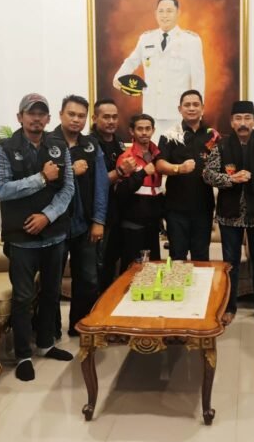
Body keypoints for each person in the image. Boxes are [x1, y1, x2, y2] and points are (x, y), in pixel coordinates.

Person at [0, 93, 75, 381]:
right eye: (31, 113)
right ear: (20, 117)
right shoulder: (5, 149)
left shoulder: (58, 146)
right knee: (23, 297)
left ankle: (45, 344)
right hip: (21, 239)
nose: (36, 118)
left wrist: (47, 216)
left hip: (54, 235)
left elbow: (68, 189)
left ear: (49, 119)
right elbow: (2, 190)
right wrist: (41, 178)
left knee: (51, 293)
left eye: (41, 114)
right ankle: (23, 354)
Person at [203, 100, 254, 326]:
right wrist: (231, 179)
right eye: (238, 118)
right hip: (230, 214)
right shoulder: (221, 146)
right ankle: (229, 307)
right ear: (232, 122)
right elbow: (207, 175)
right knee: (231, 264)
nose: (243, 123)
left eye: (247, 118)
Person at [50, 95, 109, 337]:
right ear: (61, 114)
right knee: (51, 282)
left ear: (87, 119)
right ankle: (50, 331)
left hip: (84, 225)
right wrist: (70, 171)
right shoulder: (47, 143)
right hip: (54, 226)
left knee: (88, 279)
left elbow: (101, 185)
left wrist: (98, 220)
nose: (76, 119)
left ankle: (80, 328)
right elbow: (42, 182)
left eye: (81, 116)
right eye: (71, 114)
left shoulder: (91, 145)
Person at [113, 0, 205, 132]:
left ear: (178, 13)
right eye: (161, 11)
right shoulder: (146, 38)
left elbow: (198, 78)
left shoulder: (191, 41)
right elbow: (131, 61)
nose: (164, 15)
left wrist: (198, 113)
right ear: (155, 14)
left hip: (178, 114)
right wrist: (118, 78)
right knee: (151, 146)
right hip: (151, 112)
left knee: (178, 146)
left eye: (169, 11)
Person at [156, 90, 220, 261]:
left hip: (203, 208)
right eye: (187, 105)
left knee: (201, 257)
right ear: (180, 109)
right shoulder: (169, 135)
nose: (191, 108)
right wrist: (179, 168)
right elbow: (159, 164)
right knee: (177, 257)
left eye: (196, 104)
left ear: (202, 108)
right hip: (176, 209)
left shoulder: (213, 135)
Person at [89, 98, 137, 291]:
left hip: (119, 214)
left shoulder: (119, 143)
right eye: (106, 117)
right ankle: (98, 305)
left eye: (114, 117)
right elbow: (94, 183)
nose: (111, 121)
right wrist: (120, 172)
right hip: (100, 217)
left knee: (115, 265)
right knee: (99, 268)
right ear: (95, 118)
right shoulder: (90, 145)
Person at [115, 114, 165, 272]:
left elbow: (156, 191)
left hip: (152, 226)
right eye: (140, 129)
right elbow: (121, 193)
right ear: (132, 131)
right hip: (133, 226)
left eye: (148, 128)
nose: (144, 132)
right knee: (131, 271)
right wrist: (142, 173)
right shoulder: (126, 157)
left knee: (153, 270)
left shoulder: (157, 155)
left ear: (153, 130)